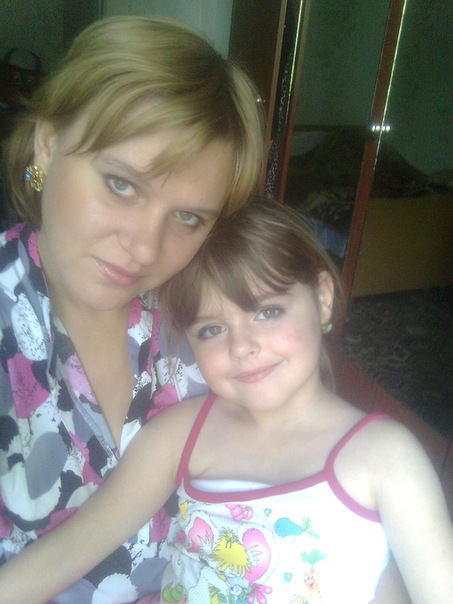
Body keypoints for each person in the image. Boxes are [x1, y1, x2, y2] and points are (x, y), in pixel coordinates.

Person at [1, 199, 451, 604]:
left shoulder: (386, 456)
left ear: (323, 299)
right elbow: (65, 553)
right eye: (212, 329)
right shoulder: (181, 434)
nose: (242, 346)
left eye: (268, 311)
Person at [0, 15, 264, 603]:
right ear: (48, 143)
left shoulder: (205, 314)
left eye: (188, 217)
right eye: (122, 184)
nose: (145, 249)